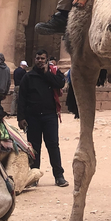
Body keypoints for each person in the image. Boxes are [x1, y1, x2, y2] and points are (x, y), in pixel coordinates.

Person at [17, 49, 68, 187]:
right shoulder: (28, 77)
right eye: (38, 58)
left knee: (53, 145)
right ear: (35, 59)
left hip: (50, 116)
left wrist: (47, 73)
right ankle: (34, 176)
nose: (40, 60)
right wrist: (20, 118)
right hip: (32, 117)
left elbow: (60, 83)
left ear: (46, 60)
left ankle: (59, 176)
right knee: (34, 148)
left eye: (42, 58)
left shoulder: (53, 73)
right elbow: (21, 98)